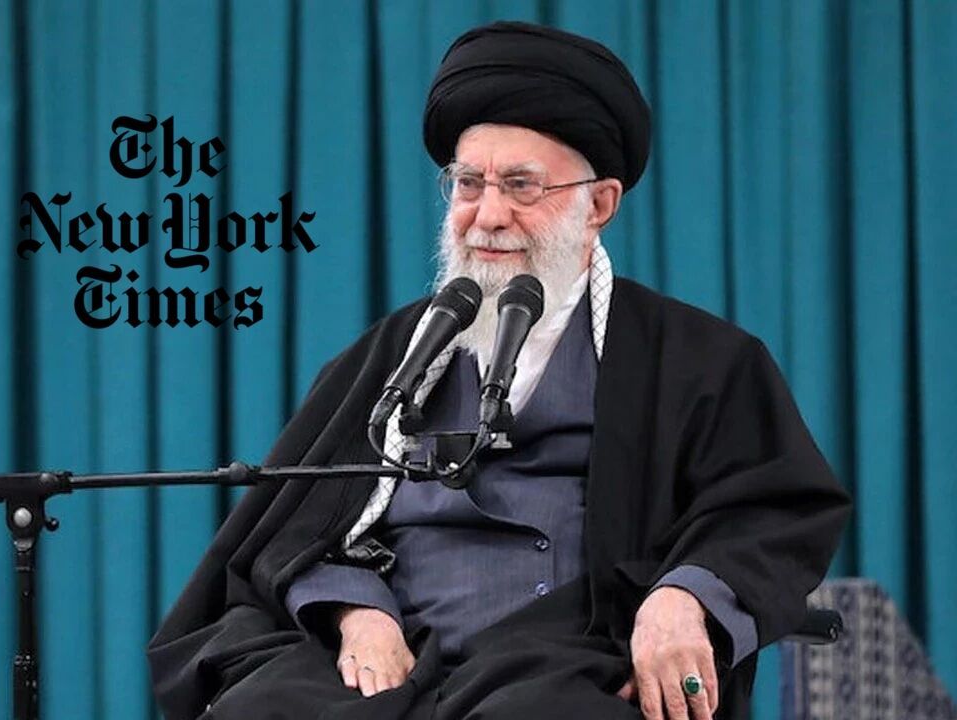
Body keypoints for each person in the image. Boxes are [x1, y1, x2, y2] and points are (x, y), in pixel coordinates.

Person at [148, 21, 850, 720]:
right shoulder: (391, 354)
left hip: (568, 659)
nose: (488, 215)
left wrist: (683, 598)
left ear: (600, 204)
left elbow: (772, 510)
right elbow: (296, 528)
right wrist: (357, 611)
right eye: (468, 184)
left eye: (520, 186)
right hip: (390, 660)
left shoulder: (700, 360)